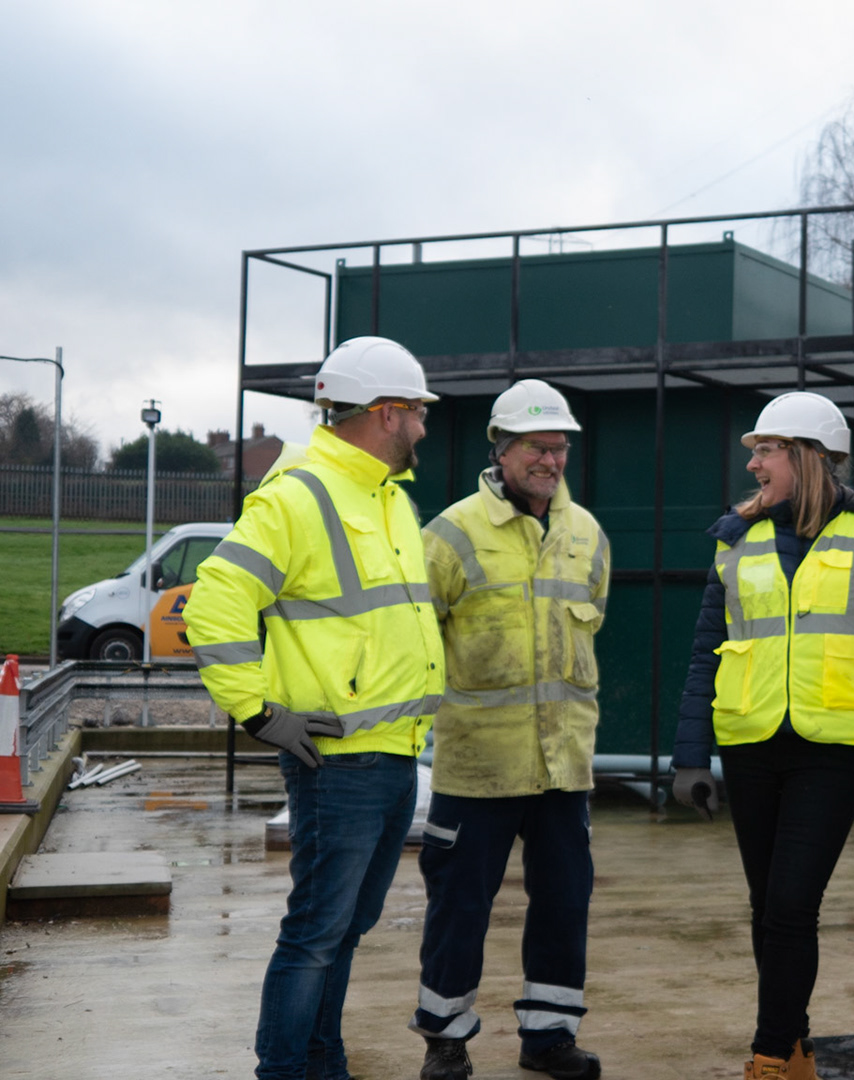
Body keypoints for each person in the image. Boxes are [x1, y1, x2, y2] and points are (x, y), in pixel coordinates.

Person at [672, 391, 854, 1080]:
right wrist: (690, 756)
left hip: (830, 749)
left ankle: (770, 1058)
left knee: (791, 904)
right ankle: (796, 1048)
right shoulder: (734, 539)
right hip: (749, 742)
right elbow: (703, 654)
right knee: (767, 907)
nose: (754, 464)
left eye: (766, 450)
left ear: (806, 458)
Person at [185, 335, 445, 1080]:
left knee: (347, 929)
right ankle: (285, 1070)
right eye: (418, 413)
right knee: (316, 933)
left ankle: (323, 1063)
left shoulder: (389, 499)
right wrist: (259, 714)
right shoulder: (298, 494)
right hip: (337, 761)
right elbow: (217, 603)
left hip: (393, 753)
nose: (424, 428)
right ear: (387, 414)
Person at [410, 379, 609, 1080]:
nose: (551, 460)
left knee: (563, 907)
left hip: (563, 767)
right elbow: (418, 641)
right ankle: (445, 1040)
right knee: (460, 911)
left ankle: (549, 1037)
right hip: (477, 768)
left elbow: (593, 620)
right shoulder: (451, 534)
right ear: (502, 450)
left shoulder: (585, 534)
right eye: (537, 447)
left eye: (559, 448)